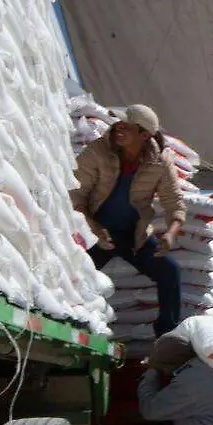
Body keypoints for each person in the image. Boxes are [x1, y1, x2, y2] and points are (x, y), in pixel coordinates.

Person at [70, 104, 186, 337]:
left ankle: (166, 336)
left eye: (126, 127)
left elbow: (174, 201)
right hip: (97, 232)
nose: (119, 130)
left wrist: (171, 233)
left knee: (169, 272)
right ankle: (74, 323)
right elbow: (75, 195)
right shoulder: (97, 152)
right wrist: (94, 227)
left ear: (144, 135)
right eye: (118, 126)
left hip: (134, 234)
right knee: (75, 278)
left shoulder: (160, 160)